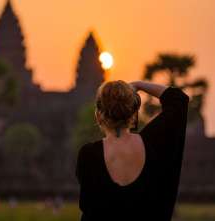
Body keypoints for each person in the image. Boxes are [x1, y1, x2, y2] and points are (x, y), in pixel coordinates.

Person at [76, 80, 189, 221]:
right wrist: (138, 85)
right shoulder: (153, 144)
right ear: (133, 115)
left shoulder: (88, 155)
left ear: (98, 116)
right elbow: (178, 100)